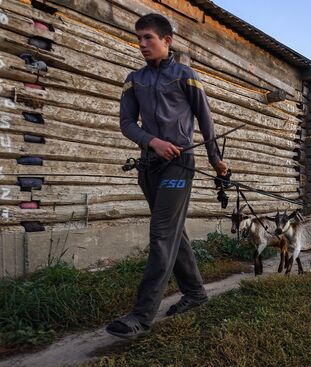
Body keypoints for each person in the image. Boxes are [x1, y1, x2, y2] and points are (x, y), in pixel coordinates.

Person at [106, 13, 228, 339]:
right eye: (139, 38)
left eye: (148, 37)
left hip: (180, 164)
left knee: (161, 233)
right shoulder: (134, 80)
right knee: (174, 233)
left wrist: (216, 161)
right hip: (149, 165)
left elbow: (206, 120)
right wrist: (152, 142)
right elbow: (127, 123)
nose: (142, 44)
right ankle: (196, 292)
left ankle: (141, 316)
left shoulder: (186, 77)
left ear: (167, 41)